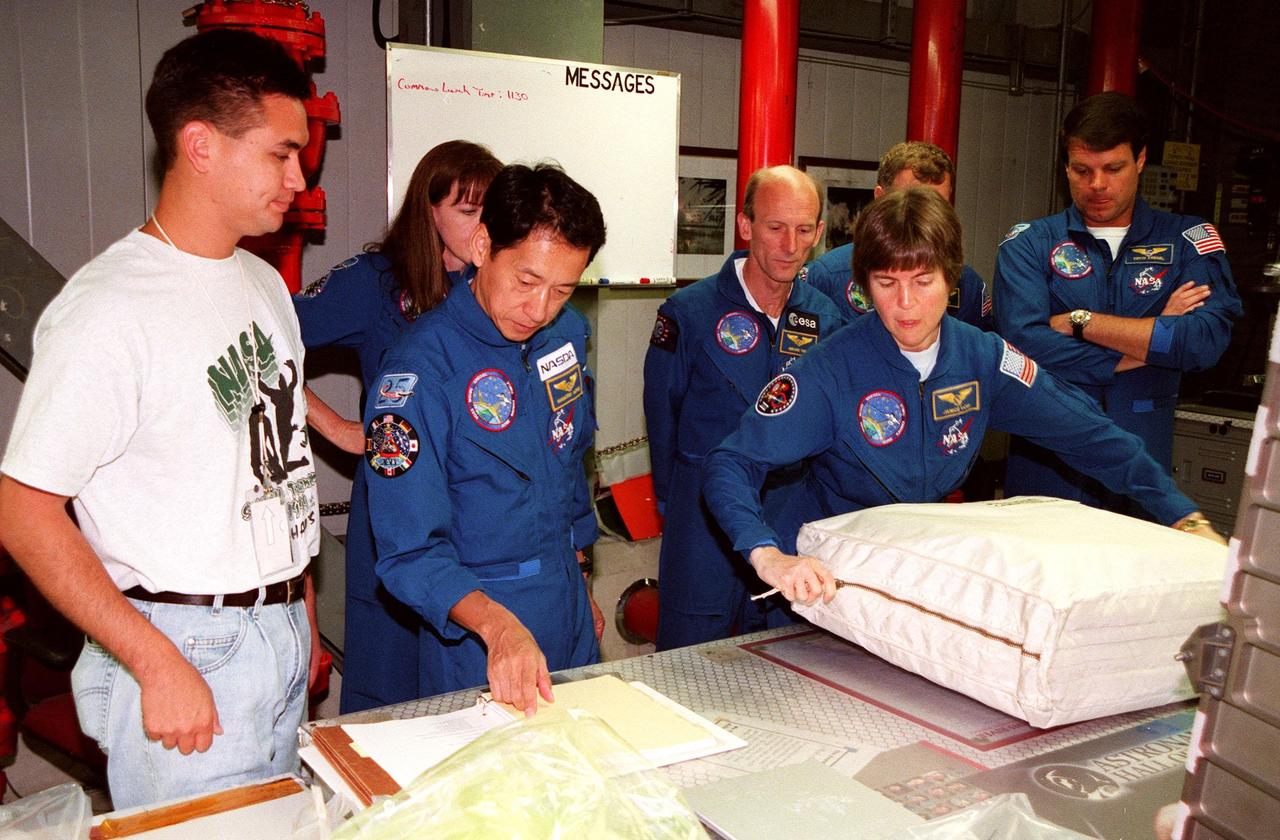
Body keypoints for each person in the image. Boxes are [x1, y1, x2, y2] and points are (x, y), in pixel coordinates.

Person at [0, 30, 321, 807]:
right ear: (201, 145)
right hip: (182, 647)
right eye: (281, 153)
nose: (300, 177)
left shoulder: (261, 282)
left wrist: (296, 610)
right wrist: (153, 661)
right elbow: (23, 511)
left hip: (275, 628)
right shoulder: (109, 310)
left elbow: (272, 460)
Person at [702, 188, 1223, 605]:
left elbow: (1093, 437)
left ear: (952, 278)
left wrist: (1184, 516)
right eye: (886, 283)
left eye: (923, 281)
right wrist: (768, 555)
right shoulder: (828, 371)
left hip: (921, 568)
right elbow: (731, 461)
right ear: (864, 286)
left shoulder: (984, 360)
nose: (905, 305)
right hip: (825, 580)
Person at [364, 163, 607, 715]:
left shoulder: (563, 337)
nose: (540, 309)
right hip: (479, 635)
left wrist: (582, 581)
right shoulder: (419, 375)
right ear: (481, 246)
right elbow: (409, 552)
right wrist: (496, 627)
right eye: (526, 281)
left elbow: (569, 464)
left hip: (567, 609)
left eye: (563, 289)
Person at [294, 140, 502, 712]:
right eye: (467, 210)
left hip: (481, 513)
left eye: (492, 209)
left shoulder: (504, 288)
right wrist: (336, 426)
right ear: (428, 209)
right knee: (388, 689)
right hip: (397, 506)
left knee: (475, 687)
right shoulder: (374, 280)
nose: (483, 226)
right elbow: (265, 333)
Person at [994, 92, 1242, 513]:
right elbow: (1023, 343)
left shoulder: (1186, 241)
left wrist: (1078, 320)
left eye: (1113, 168)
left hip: (1143, 473)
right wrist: (1144, 345)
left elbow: (1203, 342)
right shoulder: (1029, 244)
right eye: (1081, 170)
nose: (1097, 184)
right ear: (1065, 167)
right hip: (1047, 469)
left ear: (1141, 160)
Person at [643, 165, 849, 650]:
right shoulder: (689, 312)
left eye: (803, 231)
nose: (789, 245)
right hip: (702, 520)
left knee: (784, 662)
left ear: (820, 234)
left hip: (790, 517)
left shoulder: (826, 319)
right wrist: (678, 506)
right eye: (775, 227)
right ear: (745, 225)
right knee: (686, 665)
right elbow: (661, 418)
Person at [805, 141, 991, 331]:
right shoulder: (827, 276)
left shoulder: (968, 287)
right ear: (880, 197)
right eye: (910, 202)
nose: (923, 216)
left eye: (937, 205)